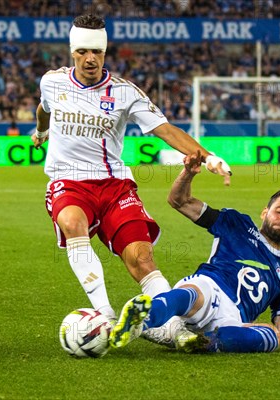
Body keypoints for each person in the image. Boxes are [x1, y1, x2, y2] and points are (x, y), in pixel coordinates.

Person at [32, 14, 231, 344]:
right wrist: (41, 131)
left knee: (140, 257)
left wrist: (209, 157)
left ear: (105, 52)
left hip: (114, 185)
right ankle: (105, 315)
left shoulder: (125, 93)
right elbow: (44, 109)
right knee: (72, 222)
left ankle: (171, 328)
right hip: (68, 181)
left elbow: (164, 129)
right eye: (83, 51)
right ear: (72, 52)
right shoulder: (52, 82)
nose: (90, 58)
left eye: (97, 52)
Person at [110, 152, 280, 353]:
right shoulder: (236, 223)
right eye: (279, 211)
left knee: (270, 337)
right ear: (265, 212)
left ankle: (203, 343)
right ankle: (142, 320)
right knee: (194, 292)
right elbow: (180, 202)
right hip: (209, 289)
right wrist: (188, 174)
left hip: (232, 319)